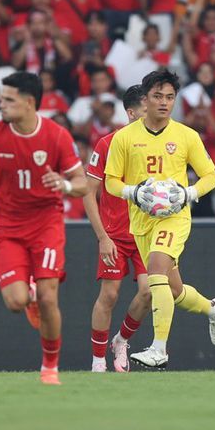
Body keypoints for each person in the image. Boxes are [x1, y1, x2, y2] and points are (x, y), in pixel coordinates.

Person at [0, 71, 88, 385]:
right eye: (1, 98)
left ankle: (49, 367)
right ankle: (28, 295)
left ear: (29, 102)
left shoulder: (57, 136)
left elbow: (82, 184)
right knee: (16, 302)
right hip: (6, 227)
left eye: (8, 99)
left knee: (49, 297)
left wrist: (62, 183)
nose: (1, 105)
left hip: (46, 224)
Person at [104, 69, 215, 369]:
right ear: (145, 100)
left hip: (175, 217)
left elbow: (211, 175)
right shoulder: (124, 137)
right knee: (171, 289)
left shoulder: (186, 136)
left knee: (155, 270)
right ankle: (212, 309)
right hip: (141, 221)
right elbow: (111, 182)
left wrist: (188, 194)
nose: (164, 102)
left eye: (170, 97)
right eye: (158, 96)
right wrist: (134, 191)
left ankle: (159, 349)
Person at [84, 85, 150, 372]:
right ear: (131, 112)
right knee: (109, 295)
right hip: (115, 235)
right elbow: (88, 192)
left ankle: (121, 340)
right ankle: (98, 362)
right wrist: (102, 237)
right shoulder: (107, 144)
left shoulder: (161, 144)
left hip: (147, 234)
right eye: (146, 111)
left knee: (149, 292)